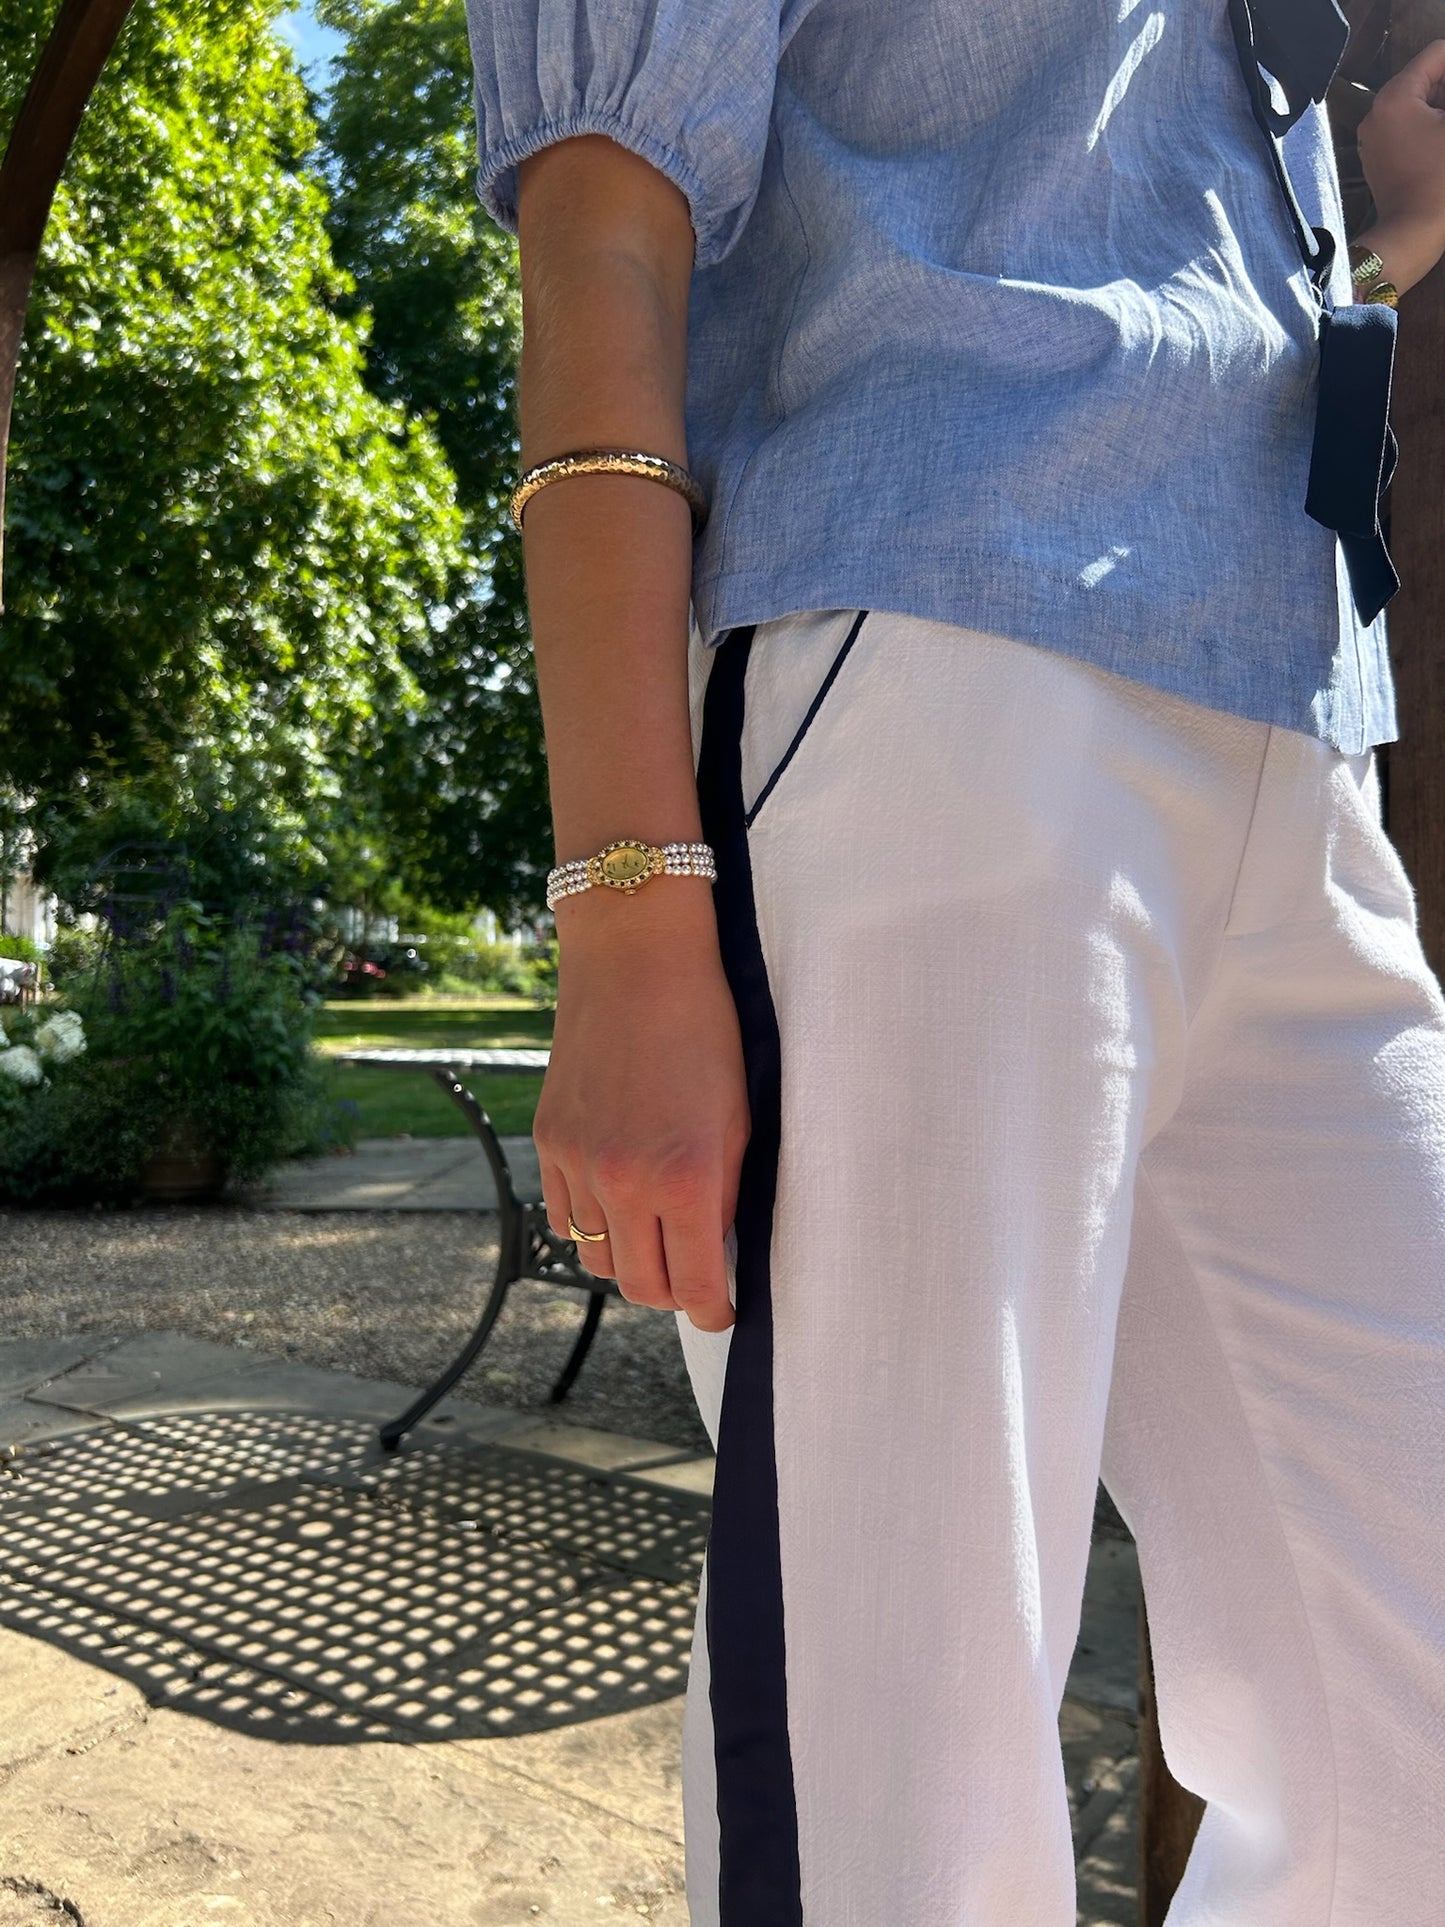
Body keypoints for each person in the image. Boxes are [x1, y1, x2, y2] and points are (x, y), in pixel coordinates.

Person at [464, 1, 1445, 1919]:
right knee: (893, 1761)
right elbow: (601, 209)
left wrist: (1374, 218)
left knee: (1402, 1718)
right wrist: (625, 900)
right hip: (926, 675)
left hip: (1296, 736)